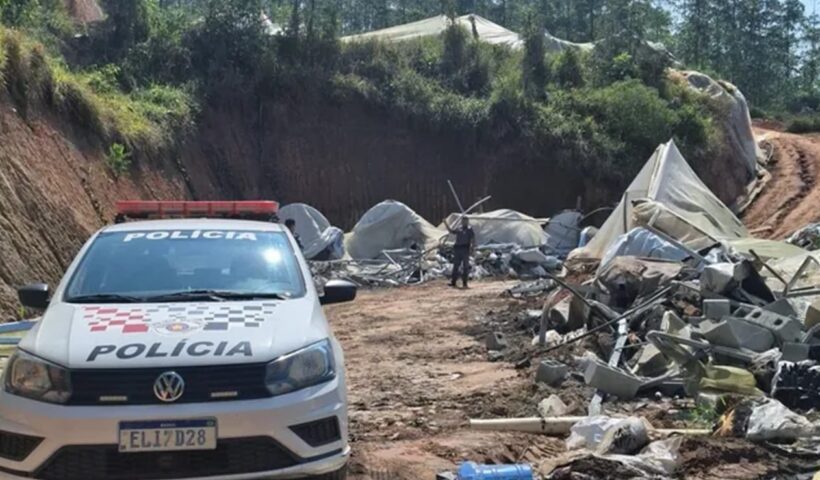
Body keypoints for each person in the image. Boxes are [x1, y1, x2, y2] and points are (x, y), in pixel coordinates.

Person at [446, 215, 475, 288]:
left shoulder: (469, 229)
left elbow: (472, 239)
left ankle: (465, 283)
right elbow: (451, 231)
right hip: (458, 249)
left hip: (465, 249)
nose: (464, 222)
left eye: (466, 221)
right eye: (463, 221)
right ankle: (453, 282)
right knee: (456, 266)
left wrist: (472, 248)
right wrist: (445, 224)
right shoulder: (459, 228)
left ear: (467, 222)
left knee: (465, 267)